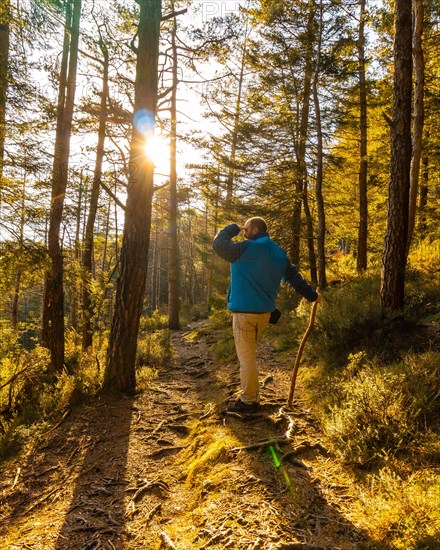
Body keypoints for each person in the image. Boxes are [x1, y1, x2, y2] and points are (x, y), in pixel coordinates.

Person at [213, 217, 319, 413]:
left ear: (253, 229)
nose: (244, 232)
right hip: (264, 314)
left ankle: (249, 401)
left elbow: (219, 244)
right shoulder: (278, 252)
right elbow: (294, 278)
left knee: (246, 358)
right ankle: (251, 394)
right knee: (249, 355)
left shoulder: (246, 248)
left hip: (245, 314)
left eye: (246, 229)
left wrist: (234, 228)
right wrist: (313, 296)